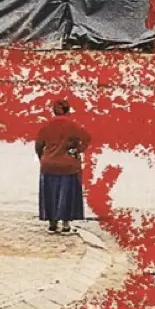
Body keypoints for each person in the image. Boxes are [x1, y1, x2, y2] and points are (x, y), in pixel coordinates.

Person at [35, 98, 91, 236]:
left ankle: (52, 225)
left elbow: (38, 146)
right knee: (67, 195)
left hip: (49, 165)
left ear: (53, 111)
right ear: (68, 110)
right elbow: (87, 137)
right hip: (68, 166)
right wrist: (77, 150)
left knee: (50, 194)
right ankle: (66, 226)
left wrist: (44, 158)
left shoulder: (46, 125)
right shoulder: (72, 125)